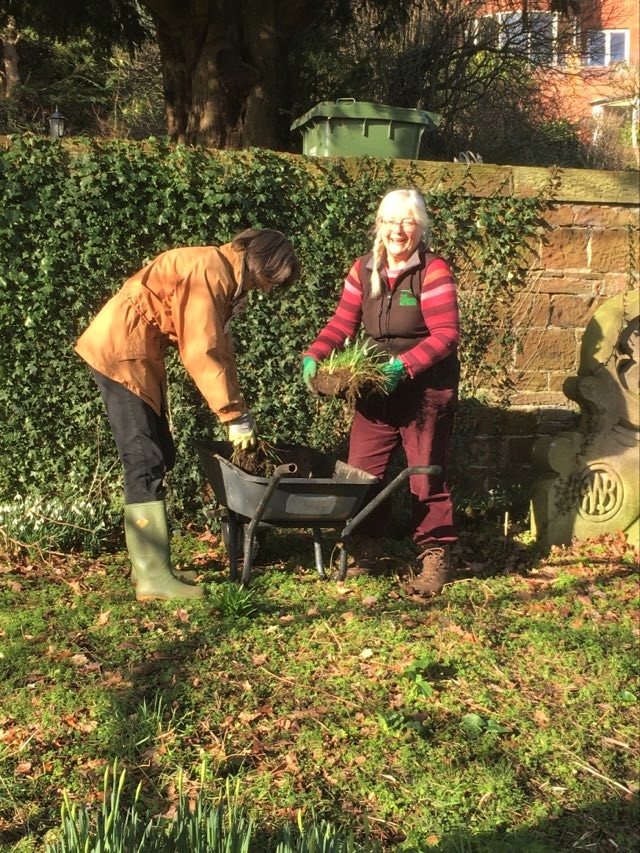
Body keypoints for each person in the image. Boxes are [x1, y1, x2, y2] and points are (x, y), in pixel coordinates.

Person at [75, 228, 300, 602]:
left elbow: (220, 349)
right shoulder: (211, 271)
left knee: (160, 452)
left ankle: (149, 565)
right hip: (121, 352)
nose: (268, 290)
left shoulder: (225, 275)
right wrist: (231, 415)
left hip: (136, 353)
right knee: (145, 461)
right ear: (260, 260)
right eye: (269, 280)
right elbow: (201, 349)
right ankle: (151, 578)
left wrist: (239, 410)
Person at [302, 190, 460, 595]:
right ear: (379, 225)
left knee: (425, 474)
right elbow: (342, 323)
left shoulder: (433, 270)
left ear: (421, 227)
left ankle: (435, 555)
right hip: (377, 387)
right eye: (390, 221)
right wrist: (315, 354)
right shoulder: (364, 269)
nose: (398, 230)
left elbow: (446, 335)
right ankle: (369, 548)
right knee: (362, 471)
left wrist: (403, 366)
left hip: (426, 390)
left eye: (407, 221)